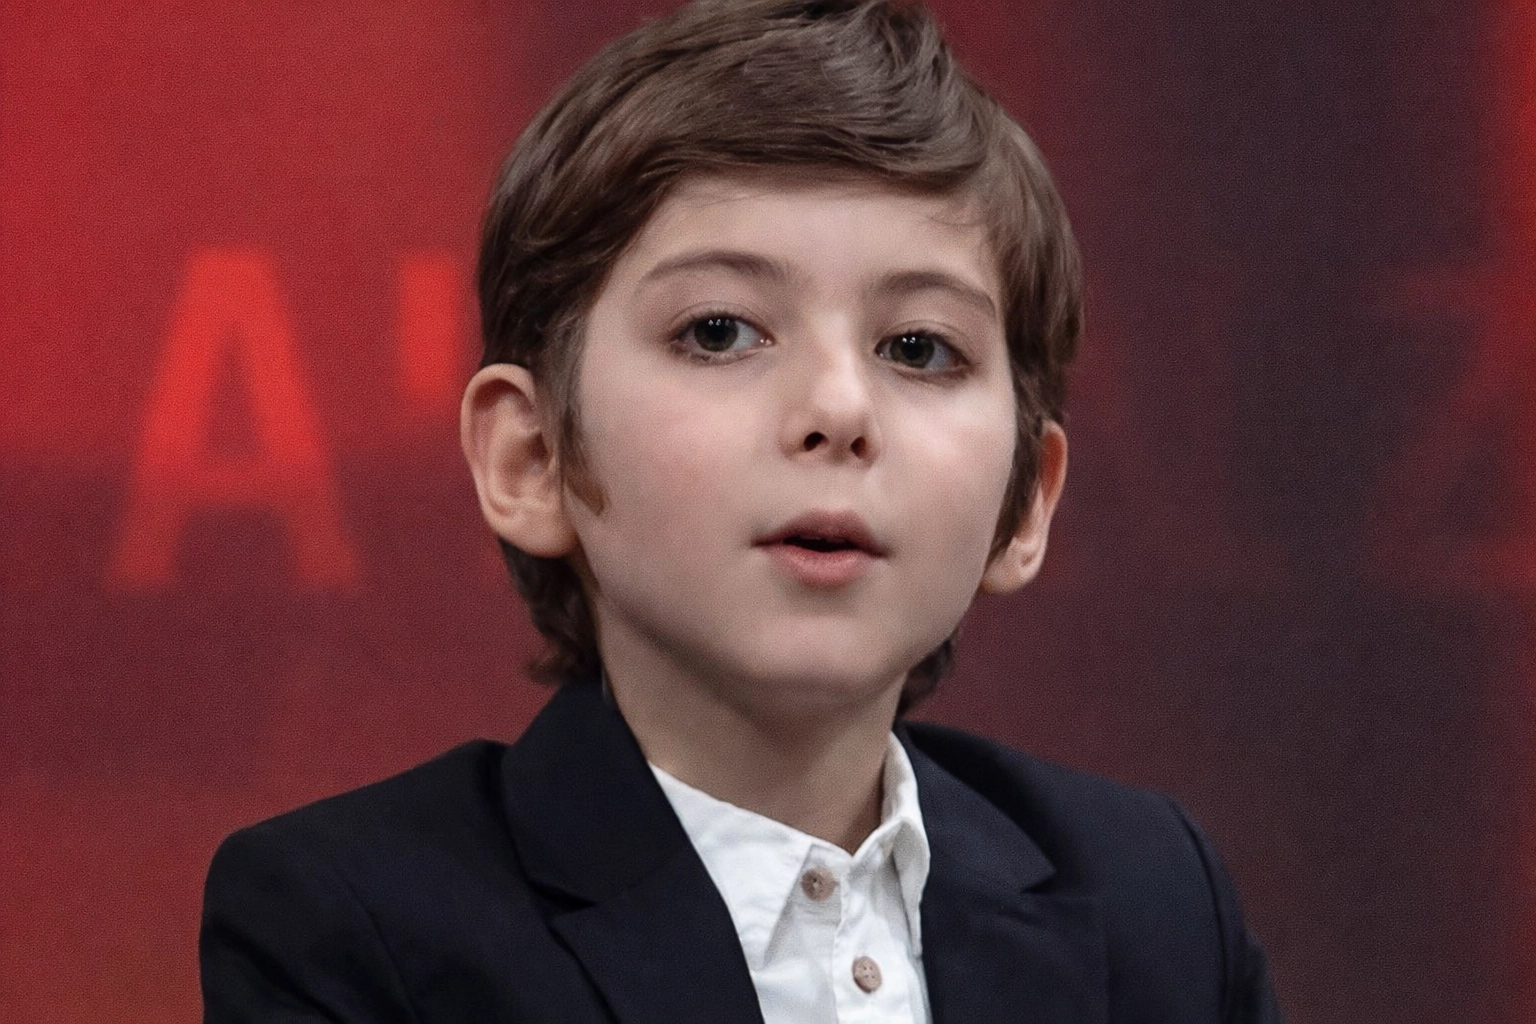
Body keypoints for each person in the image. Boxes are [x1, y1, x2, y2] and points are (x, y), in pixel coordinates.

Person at [199, 0, 1285, 1021]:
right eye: (719, 332)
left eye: (919, 348)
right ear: (532, 457)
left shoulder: (1156, 900)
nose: (838, 411)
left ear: (1026, 499)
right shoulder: (352, 924)